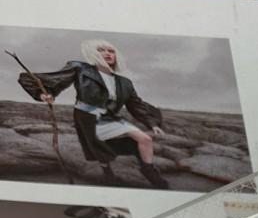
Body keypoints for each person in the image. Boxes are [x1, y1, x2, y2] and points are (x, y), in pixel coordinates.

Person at [17, 40, 170, 189]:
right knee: (99, 147)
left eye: (111, 51)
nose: (107, 54)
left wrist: (152, 124)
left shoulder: (124, 82)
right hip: (87, 117)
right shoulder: (80, 68)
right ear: (92, 53)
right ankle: (108, 175)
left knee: (145, 139)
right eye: (101, 50)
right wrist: (44, 94)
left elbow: (136, 104)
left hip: (110, 118)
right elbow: (54, 80)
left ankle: (149, 172)